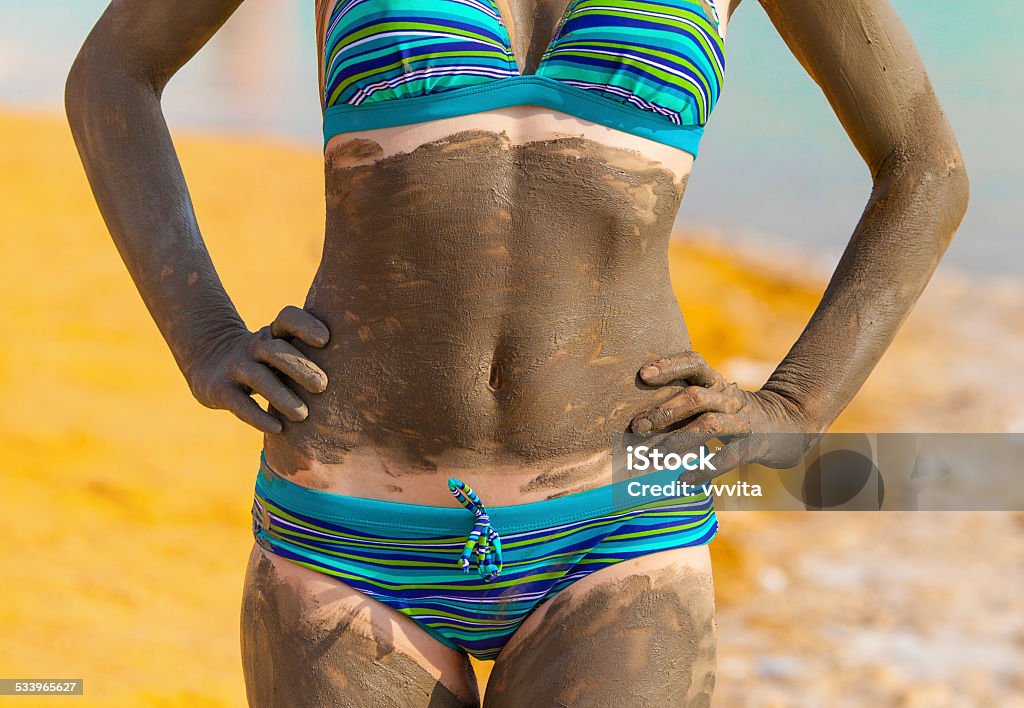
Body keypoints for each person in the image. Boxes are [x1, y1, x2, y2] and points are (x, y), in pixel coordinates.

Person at [66, 0, 967, 704]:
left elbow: (924, 168)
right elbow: (113, 72)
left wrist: (796, 406)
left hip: (618, 525)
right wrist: (204, 335)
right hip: (344, 529)